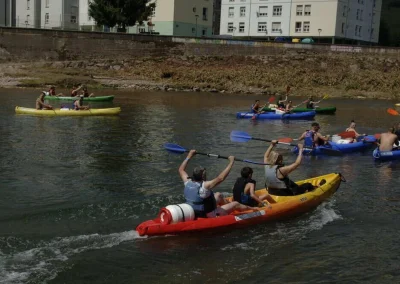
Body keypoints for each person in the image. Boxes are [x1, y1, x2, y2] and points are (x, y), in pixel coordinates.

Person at [179, 150, 256, 219]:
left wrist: (189, 156)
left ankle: (229, 206)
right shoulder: (205, 186)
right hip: (207, 214)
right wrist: (231, 162)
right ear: (203, 175)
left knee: (218, 195)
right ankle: (254, 209)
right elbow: (221, 178)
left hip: (193, 210)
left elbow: (181, 169)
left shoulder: (187, 181)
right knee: (236, 204)